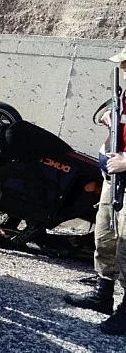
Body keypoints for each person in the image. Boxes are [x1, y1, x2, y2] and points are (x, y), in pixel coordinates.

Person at [63, 47, 126, 335]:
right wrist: (109, 119)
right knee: (105, 236)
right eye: (122, 64)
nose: (122, 69)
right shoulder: (124, 96)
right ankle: (103, 294)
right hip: (112, 178)